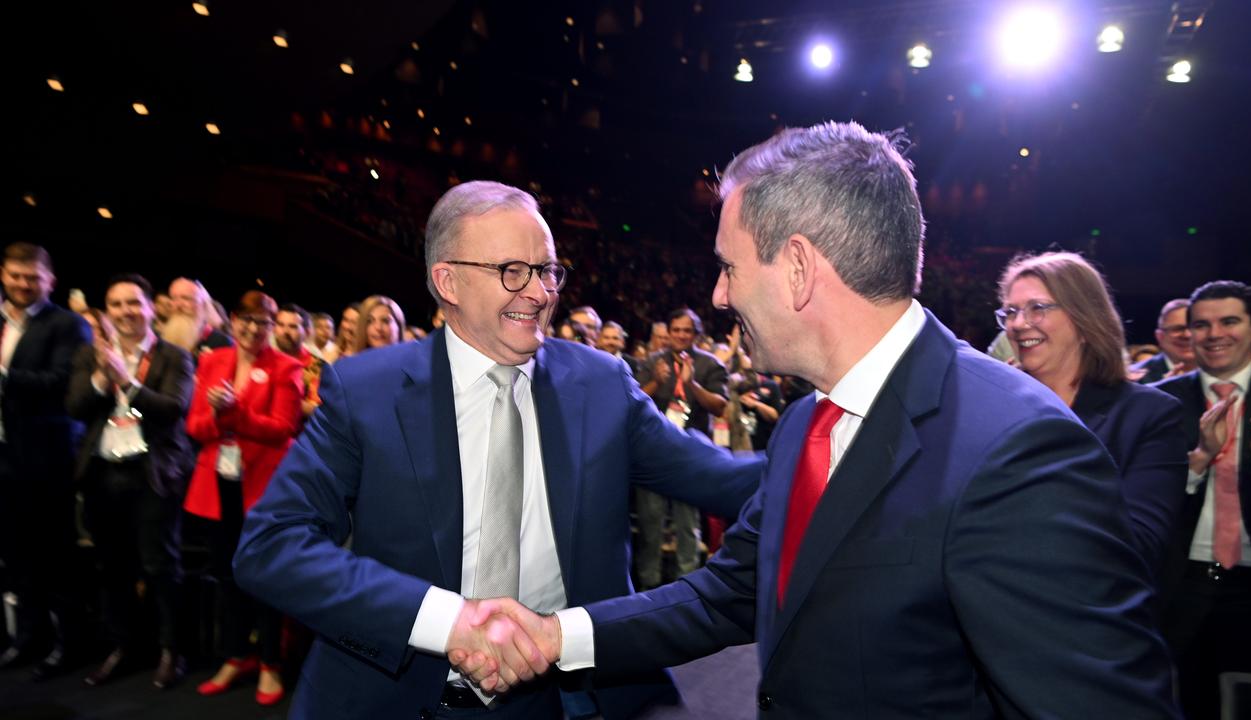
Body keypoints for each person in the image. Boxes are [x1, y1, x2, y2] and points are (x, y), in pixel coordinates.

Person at [460, 121, 1177, 718]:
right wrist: (556, 636)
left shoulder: (1016, 449)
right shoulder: (808, 422)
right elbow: (727, 592)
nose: (716, 295)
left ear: (798, 268)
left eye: (729, 267)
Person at [232, 180, 760, 719]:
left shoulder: (601, 385)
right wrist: (447, 621)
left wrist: (835, 432)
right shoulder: (367, 391)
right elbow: (272, 544)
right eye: (513, 271)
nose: (539, 292)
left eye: (548, 270)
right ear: (449, 281)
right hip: (397, 694)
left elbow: (725, 480)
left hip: (561, 700)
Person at [997, 252, 1187, 583]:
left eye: (1037, 308)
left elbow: (1139, 545)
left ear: (1085, 320)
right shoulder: (998, 409)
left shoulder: (1150, 414)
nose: (1017, 324)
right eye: (1010, 312)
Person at [1153, 280, 1251, 719]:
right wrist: (1200, 460)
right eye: (1201, 325)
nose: (1214, 334)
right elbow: (1147, 499)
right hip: (1180, 583)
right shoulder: (1160, 403)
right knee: (1180, 705)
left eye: (1229, 321)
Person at [66, 274, 194, 689]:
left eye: (134, 303)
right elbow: (75, 406)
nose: (126, 312)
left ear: (150, 308)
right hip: (104, 474)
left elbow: (173, 409)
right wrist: (103, 379)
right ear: (107, 311)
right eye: (117, 304)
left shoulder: (173, 356)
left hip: (153, 474)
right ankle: (124, 646)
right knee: (112, 567)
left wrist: (127, 381)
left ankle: (172, 651)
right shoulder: (90, 354)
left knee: (161, 566)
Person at [184, 291, 303, 707]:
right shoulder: (211, 361)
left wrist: (236, 414)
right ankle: (236, 656)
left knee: (265, 578)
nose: (254, 329)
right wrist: (218, 417)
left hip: (263, 488)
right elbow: (196, 427)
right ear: (232, 320)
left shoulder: (287, 366)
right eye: (246, 320)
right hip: (217, 485)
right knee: (227, 577)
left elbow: (284, 427)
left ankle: (270, 662)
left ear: (273, 326)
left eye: (263, 322)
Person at [0, 242, 92, 679]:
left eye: (32, 276)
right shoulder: (1, 322)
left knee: (56, 557)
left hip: (47, 457)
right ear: (2, 274)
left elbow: (60, 384)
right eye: (15, 275)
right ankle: (28, 638)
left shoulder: (68, 324)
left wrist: (2, 377)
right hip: (4, 456)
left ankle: (69, 644)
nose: (22, 284)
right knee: (16, 555)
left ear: (49, 280)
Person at [633, 308, 729, 588]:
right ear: (669, 332)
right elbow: (633, 400)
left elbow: (719, 407)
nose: (681, 335)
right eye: (676, 330)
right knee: (651, 529)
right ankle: (647, 592)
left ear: (696, 334)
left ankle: (686, 592)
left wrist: (692, 384)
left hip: (691, 457)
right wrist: (657, 382)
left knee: (688, 528)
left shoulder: (711, 364)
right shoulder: (652, 362)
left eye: (687, 331)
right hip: (654, 456)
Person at [1133, 298, 1196, 384]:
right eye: (1178, 329)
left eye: (1194, 327)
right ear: (1160, 336)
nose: (1188, 335)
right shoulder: (1135, 378)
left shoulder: (1218, 372)